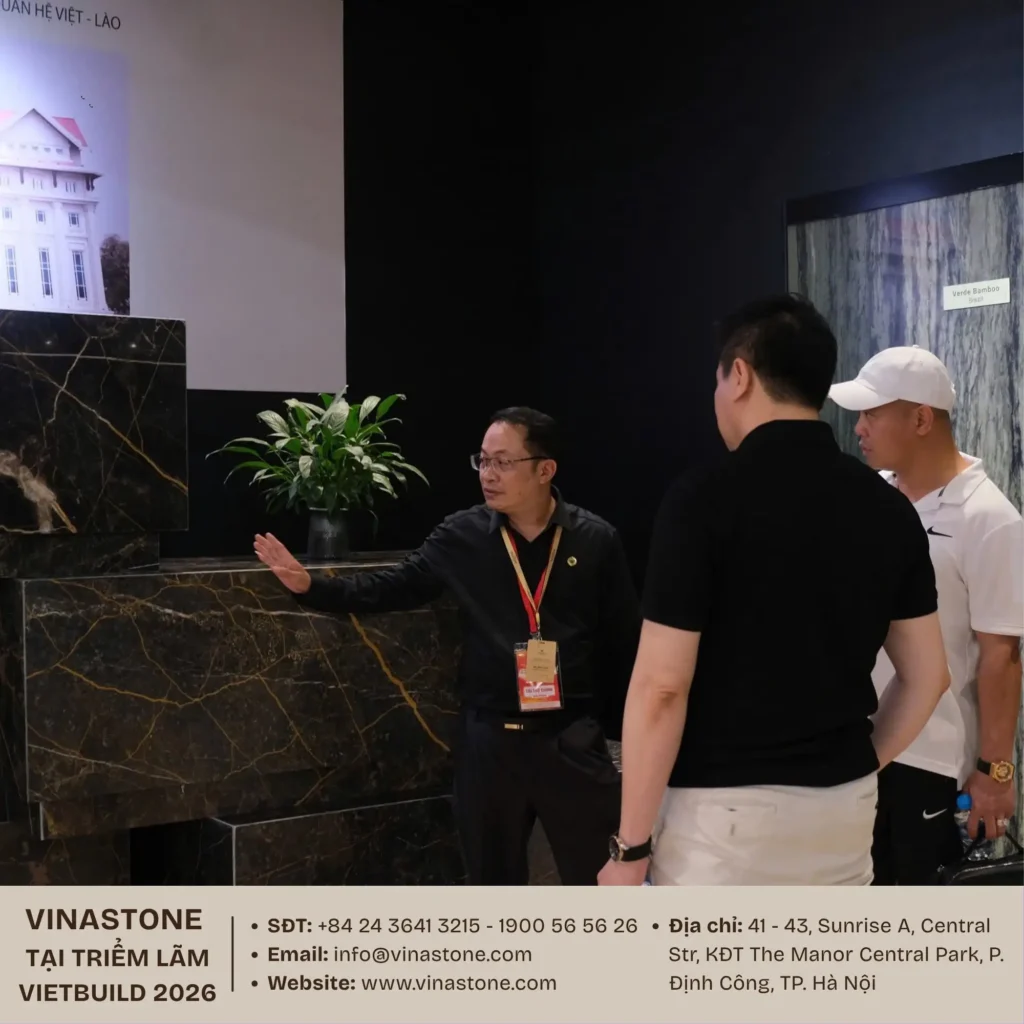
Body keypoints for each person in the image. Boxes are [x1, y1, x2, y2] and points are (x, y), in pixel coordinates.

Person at [598, 293, 951, 887]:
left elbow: (662, 687)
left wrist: (629, 848)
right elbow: (929, 676)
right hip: (845, 809)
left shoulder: (702, 499)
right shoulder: (889, 508)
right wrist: (857, 763)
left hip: (723, 820)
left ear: (739, 375)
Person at [255, 406, 640, 885]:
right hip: (490, 744)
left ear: (545, 470)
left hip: (570, 740)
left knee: (598, 886)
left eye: (503, 462)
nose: (488, 474)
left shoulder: (595, 539)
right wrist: (311, 586)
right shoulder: (463, 536)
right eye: (482, 460)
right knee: (492, 886)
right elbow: (392, 587)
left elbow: (627, 643)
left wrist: (628, 743)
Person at [828, 345, 1023, 884]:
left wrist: (995, 773)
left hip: (932, 760)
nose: (859, 428)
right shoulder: (875, 501)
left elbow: (1002, 657)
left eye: (872, 413)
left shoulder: (990, 518)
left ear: (920, 420)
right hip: (860, 745)